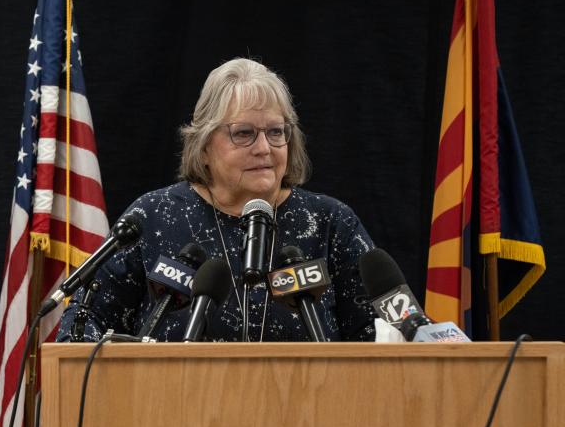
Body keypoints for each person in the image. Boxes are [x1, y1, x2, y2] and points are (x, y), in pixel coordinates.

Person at [57, 58, 376, 342]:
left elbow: (380, 332)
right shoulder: (153, 217)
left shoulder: (331, 223)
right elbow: (85, 325)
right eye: (243, 133)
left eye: (276, 132)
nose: (264, 148)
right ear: (204, 145)